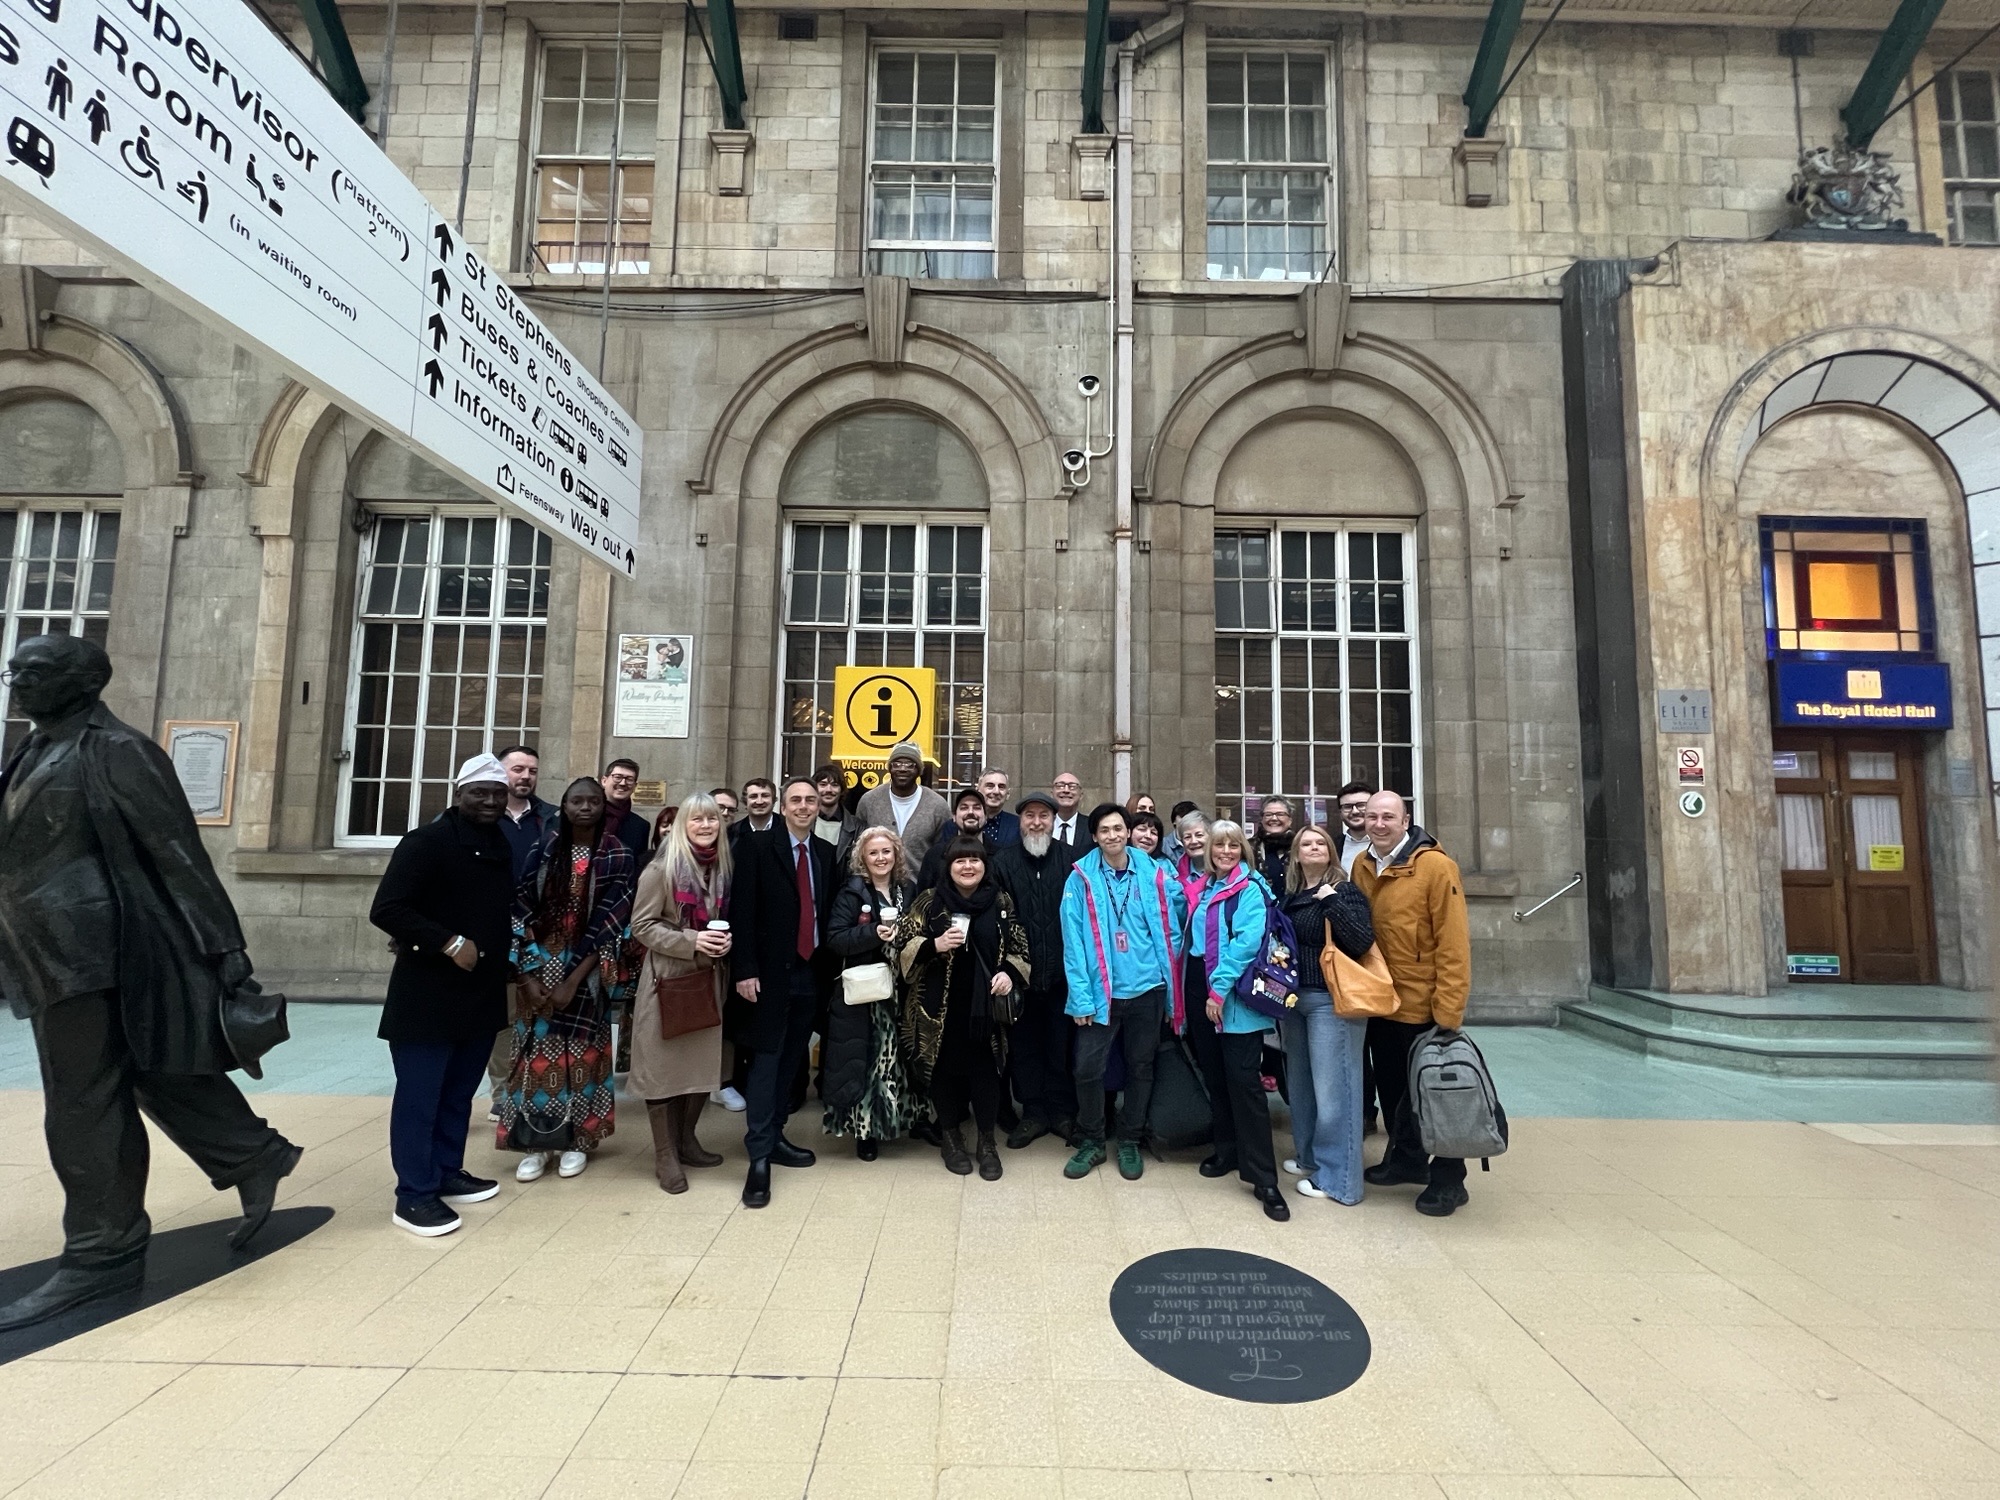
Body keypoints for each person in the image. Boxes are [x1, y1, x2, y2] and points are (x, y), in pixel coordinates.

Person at [0, 635, 300, 1328]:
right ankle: (252, 1153)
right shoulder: (35, 746)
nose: (19, 682)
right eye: (16, 669)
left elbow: (177, 852)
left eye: (35, 672)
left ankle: (102, 1254)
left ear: (85, 681)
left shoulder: (117, 750)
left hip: (101, 952)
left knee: (83, 1104)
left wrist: (225, 949)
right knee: (138, 1068)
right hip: (45, 950)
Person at [371, 754, 514, 1236]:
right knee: (420, 1097)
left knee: (457, 1094)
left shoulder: (498, 843)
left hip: (479, 993)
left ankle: (446, 1171)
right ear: (459, 794)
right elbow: (388, 908)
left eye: (498, 792)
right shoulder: (425, 843)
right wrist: (448, 942)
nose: (491, 801)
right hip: (427, 995)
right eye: (480, 792)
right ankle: (413, 1194)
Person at [500, 777, 635, 1183]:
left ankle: (578, 1142)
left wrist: (574, 980)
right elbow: (518, 910)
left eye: (594, 801)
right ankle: (536, 1142)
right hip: (537, 963)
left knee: (583, 1058)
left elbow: (613, 924)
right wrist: (527, 977)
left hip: (587, 969)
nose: (586, 808)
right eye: (577, 801)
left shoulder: (617, 853)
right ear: (564, 805)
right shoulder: (543, 848)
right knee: (535, 1060)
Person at [1354, 791, 1473, 1217]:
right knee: (1394, 1092)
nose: (1379, 824)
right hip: (1381, 1001)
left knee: (1436, 1096)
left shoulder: (1436, 868)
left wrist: (1449, 1010)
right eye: (1372, 817)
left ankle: (1449, 1178)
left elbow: (1454, 944)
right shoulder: (1363, 865)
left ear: (1406, 821)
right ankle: (1406, 1159)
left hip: (1424, 1005)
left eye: (1388, 817)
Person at [1058, 803, 1185, 1181]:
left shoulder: (1156, 874)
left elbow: (1173, 931)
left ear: (1128, 832)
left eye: (1119, 829)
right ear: (1094, 836)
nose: (1112, 835)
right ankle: (1093, 1139)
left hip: (1148, 987)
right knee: (1087, 1068)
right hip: (1102, 993)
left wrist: (1172, 995)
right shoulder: (1079, 879)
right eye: (1104, 830)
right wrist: (1080, 997)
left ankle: (1130, 1139)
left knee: (1140, 1066)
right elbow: (1073, 944)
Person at [728, 777, 837, 1208]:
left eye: (811, 801)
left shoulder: (826, 854)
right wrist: (745, 970)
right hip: (768, 976)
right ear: (782, 805)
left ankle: (775, 1137)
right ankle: (758, 1158)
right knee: (766, 1061)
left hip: (811, 974)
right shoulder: (755, 848)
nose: (804, 807)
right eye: (796, 800)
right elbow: (742, 911)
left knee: (792, 1061)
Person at [898, 836, 1031, 1179]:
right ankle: (951, 1137)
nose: (968, 866)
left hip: (985, 1008)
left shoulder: (999, 901)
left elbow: (1020, 944)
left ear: (985, 865)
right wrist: (933, 944)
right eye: (960, 861)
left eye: (974, 860)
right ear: (949, 866)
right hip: (937, 1007)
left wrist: (1009, 973)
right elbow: (904, 945)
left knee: (985, 1072)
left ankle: (987, 1142)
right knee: (943, 1071)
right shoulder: (929, 902)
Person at [628, 792, 734, 1194]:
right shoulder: (661, 868)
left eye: (712, 820)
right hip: (668, 980)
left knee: (698, 1069)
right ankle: (664, 1154)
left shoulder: (722, 867)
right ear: (682, 825)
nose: (706, 826)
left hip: (709, 978)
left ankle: (687, 1140)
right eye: (697, 820)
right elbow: (642, 925)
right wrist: (693, 940)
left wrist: (722, 944)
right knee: (663, 1070)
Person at [1183, 820, 1289, 1221]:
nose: (1224, 852)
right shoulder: (1207, 887)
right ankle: (1227, 1150)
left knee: (1245, 1085)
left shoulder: (1250, 889)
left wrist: (1218, 990)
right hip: (1199, 987)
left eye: (1232, 846)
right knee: (1216, 1078)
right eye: (1218, 846)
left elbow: (1246, 943)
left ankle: (1264, 1178)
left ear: (1242, 849)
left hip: (1232, 997)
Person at [1277, 824, 1376, 1206]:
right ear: (1297, 855)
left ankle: (1340, 1181)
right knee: (1301, 1087)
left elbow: (1361, 940)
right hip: (1295, 1002)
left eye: (1321, 842)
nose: (1314, 847)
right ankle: (1310, 1158)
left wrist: (1331, 900)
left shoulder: (1345, 890)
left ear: (1331, 852)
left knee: (1337, 1092)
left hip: (1331, 1001)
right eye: (1306, 843)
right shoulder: (1292, 895)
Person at [823, 826, 926, 1159]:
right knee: (869, 1062)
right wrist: (871, 933)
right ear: (862, 858)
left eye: (886, 852)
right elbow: (836, 938)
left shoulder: (909, 890)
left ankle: (904, 1120)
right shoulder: (851, 893)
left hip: (905, 989)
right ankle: (865, 1130)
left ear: (896, 854)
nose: (881, 858)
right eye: (873, 853)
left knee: (903, 1060)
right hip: (867, 994)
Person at [991, 792, 1075, 1148]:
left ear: (1055, 821)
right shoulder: (1002, 862)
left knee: (1061, 1046)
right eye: (1030, 816)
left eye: (1044, 816)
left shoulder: (1072, 861)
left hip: (1063, 977)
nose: (1037, 822)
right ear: (1020, 820)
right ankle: (1034, 1113)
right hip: (1019, 978)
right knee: (1023, 1049)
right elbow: (997, 919)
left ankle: (1060, 1113)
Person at [856, 742, 950, 867]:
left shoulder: (937, 805)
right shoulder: (869, 801)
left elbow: (944, 853)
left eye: (910, 765)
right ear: (890, 768)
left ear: (919, 770)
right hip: (875, 884)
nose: (902, 769)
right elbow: (858, 847)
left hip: (921, 884)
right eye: (897, 764)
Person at [498, 744, 557, 880]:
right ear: (500, 771)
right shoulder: (484, 816)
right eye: (518, 770)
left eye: (533, 771)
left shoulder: (551, 820)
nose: (526, 776)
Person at [917, 784, 989, 887]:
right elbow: (923, 896)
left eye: (977, 808)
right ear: (954, 817)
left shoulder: (999, 856)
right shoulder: (935, 855)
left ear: (986, 816)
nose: (970, 812)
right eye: (964, 808)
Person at [813, 761, 864, 866]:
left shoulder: (858, 828)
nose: (828, 790)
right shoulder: (803, 823)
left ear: (842, 790)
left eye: (834, 785)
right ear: (814, 788)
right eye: (823, 784)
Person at [600, 758, 651, 860]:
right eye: (617, 777)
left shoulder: (641, 826)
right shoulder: (588, 816)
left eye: (629, 779)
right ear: (604, 781)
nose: (623, 783)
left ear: (635, 786)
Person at [1172, 809, 1210, 908]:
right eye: (1187, 837)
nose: (1193, 841)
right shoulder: (1175, 874)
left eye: (1199, 835)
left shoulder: (1224, 870)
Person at [1256, 796, 1295, 889]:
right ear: (1262, 820)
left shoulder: (1301, 846)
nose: (1274, 818)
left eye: (1280, 814)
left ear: (1290, 820)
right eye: (1268, 814)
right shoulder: (1249, 848)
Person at [977, 767, 1020, 847]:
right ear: (978, 790)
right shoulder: (962, 823)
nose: (996, 791)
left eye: (1001, 787)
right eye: (990, 786)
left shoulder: (1019, 825)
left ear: (1008, 794)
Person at [733, 777, 779, 841]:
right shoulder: (733, 833)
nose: (759, 802)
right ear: (745, 801)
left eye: (765, 796)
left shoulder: (788, 828)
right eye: (753, 796)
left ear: (773, 800)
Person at [1050, 772, 1085, 848]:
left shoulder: (1091, 827)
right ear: (1052, 794)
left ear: (1081, 795)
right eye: (1060, 786)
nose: (1066, 790)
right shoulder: (1042, 824)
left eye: (1072, 786)